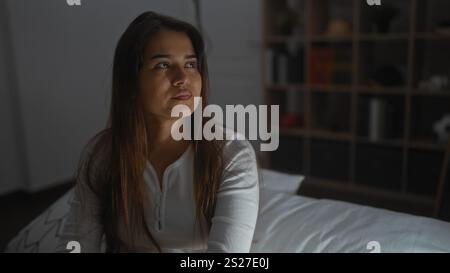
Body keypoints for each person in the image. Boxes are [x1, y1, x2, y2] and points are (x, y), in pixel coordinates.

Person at [57, 11, 259, 253]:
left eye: (190, 64)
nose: (182, 78)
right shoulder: (102, 154)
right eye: (163, 65)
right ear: (131, 83)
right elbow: (77, 242)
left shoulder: (230, 153)